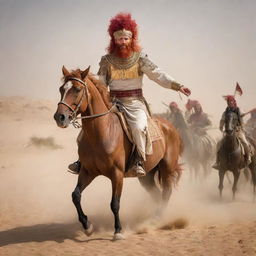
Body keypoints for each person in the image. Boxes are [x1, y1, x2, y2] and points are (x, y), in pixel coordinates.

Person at [69, 12, 191, 175]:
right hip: (112, 103)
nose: (123, 42)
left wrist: (177, 86)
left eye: (126, 38)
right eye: (119, 39)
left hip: (134, 103)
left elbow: (158, 74)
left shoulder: (140, 59)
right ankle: (82, 161)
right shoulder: (107, 60)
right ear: (114, 40)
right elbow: (101, 83)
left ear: (131, 39)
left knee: (139, 127)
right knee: (88, 128)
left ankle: (138, 160)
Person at [212, 95, 251, 169]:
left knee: (245, 142)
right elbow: (222, 120)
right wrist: (221, 126)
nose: (229, 103)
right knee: (219, 143)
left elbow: (241, 122)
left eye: (231, 101)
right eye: (228, 102)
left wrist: (239, 127)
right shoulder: (225, 112)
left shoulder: (238, 110)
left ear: (233, 102)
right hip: (228, 132)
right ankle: (217, 162)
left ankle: (247, 158)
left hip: (237, 131)